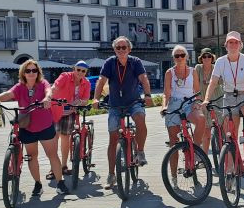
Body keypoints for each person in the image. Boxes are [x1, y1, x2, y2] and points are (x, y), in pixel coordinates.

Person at [0, 59, 69, 196]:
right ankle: (38, 184)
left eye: (34, 70)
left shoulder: (42, 84)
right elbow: (8, 94)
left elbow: (49, 91)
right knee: (31, 156)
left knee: (52, 155)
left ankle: (60, 182)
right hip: (27, 126)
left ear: (38, 72)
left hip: (44, 125)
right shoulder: (20, 87)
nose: (31, 73)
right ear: (23, 73)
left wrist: (47, 99)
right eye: (28, 70)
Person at [93, 36, 154, 189]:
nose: (121, 50)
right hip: (114, 104)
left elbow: (144, 78)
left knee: (140, 119)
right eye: (118, 48)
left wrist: (147, 95)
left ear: (129, 49)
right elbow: (101, 81)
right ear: (114, 50)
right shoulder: (109, 63)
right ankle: (111, 174)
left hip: (133, 102)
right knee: (113, 139)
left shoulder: (136, 62)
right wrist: (95, 99)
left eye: (123, 47)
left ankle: (140, 151)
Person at [202, 31, 244, 173]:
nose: (233, 45)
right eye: (230, 42)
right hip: (228, 96)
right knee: (229, 134)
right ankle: (230, 168)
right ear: (226, 45)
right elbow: (213, 82)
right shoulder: (221, 61)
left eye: (236, 42)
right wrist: (206, 99)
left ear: (240, 45)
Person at [161, 45, 206, 177]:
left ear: (187, 57)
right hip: (174, 104)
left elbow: (197, 91)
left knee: (201, 119)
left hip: (189, 102)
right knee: (173, 142)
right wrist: (164, 106)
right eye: (177, 56)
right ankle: (174, 176)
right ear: (173, 58)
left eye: (182, 55)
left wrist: (198, 102)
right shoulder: (170, 72)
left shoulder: (193, 71)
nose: (180, 58)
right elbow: (166, 93)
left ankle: (196, 151)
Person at [50, 61, 92, 179]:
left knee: (65, 139)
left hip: (70, 112)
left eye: (83, 71)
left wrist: (78, 102)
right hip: (56, 110)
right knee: (54, 139)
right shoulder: (65, 76)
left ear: (86, 72)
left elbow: (85, 99)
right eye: (78, 70)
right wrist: (48, 96)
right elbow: (55, 86)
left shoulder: (86, 83)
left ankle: (63, 166)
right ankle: (53, 168)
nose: (80, 73)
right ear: (74, 69)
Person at [195, 47, 222, 154]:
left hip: (217, 100)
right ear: (201, 58)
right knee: (206, 131)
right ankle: (204, 158)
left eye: (209, 56)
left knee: (221, 129)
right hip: (203, 102)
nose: (206, 58)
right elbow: (194, 84)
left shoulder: (216, 68)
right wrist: (196, 100)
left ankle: (225, 155)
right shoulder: (198, 68)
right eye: (204, 56)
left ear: (212, 58)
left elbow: (221, 81)